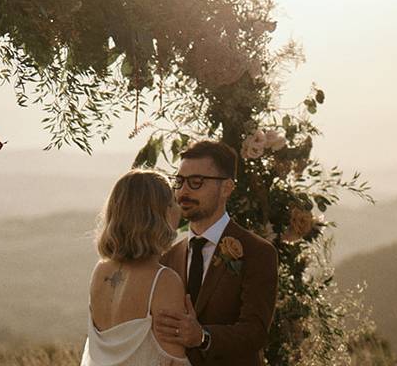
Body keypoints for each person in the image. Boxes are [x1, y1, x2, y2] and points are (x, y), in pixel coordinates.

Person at [154, 141, 279, 366]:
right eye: (180, 182)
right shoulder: (168, 257)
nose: (183, 192)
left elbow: (255, 332)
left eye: (196, 182)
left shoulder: (258, 253)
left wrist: (202, 337)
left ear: (227, 188)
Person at [81, 169, 192, 366]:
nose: (178, 209)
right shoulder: (163, 281)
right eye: (172, 202)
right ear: (161, 214)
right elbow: (173, 362)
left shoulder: (100, 271)